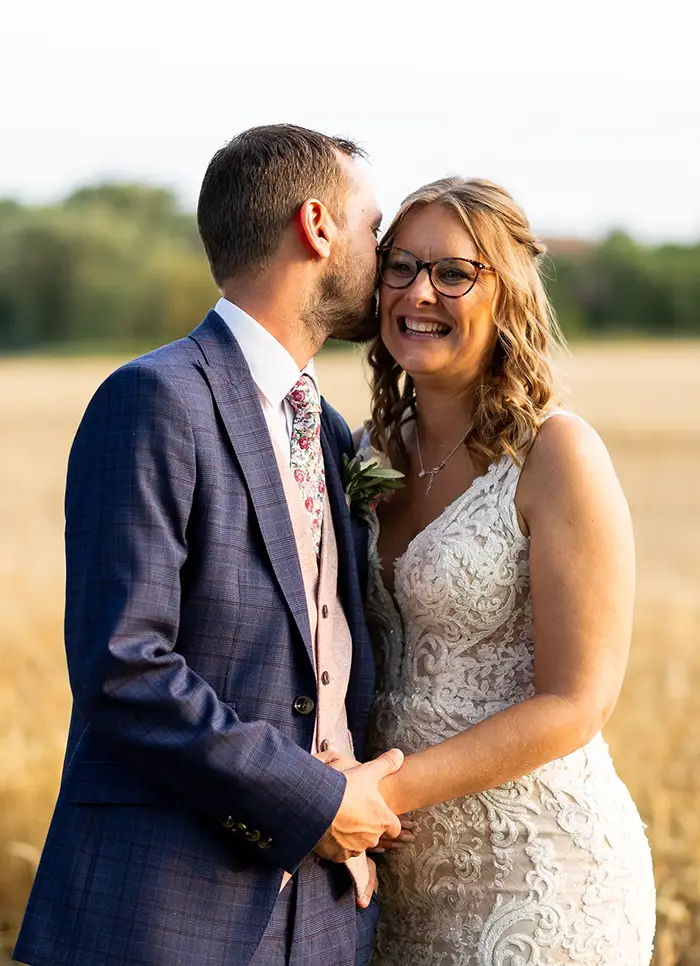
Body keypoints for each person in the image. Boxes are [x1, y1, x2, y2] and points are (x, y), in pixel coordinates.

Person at [13, 124, 404, 966]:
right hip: (166, 912)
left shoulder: (328, 430)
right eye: (373, 227)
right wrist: (314, 801)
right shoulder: (156, 400)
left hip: (328, 920)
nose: (387, 254)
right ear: (317, 226)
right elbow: (126, 668)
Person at [328, 177, 656, 964]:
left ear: (506, 294)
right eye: (400, 267)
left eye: (453, 273)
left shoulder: (555, 454)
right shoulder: (367, 449)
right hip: (398, 889)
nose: (419, 292)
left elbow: (577, 703)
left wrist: (377, 798)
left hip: (541, 875)